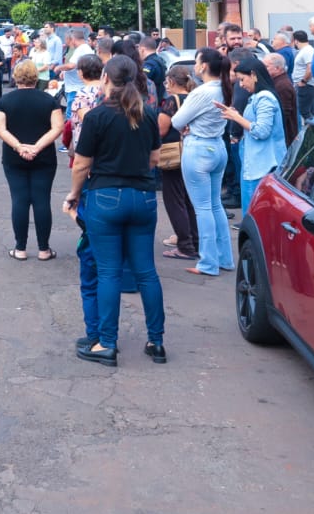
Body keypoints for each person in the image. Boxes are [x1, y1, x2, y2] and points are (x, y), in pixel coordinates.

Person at [62, 55, 165, 367]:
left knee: (107, 272)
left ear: (105, 78)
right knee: (146, 272)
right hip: (144, 198)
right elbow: (155, 159)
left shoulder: (97, 117)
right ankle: (156, 342)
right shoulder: (147, 113)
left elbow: (81, 164)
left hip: (106, 196)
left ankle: (106, 343)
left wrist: (74, 195)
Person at [171, 49, 234, 278]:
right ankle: (224, 258)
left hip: (198, 149)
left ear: (204, 66)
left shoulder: (202, 92)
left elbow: (177, 120)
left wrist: (186, 126)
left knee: (204, 208)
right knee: (215, 205)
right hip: (217, 147)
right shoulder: (224, 87)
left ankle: (208, 262)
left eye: (197, 62)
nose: (195, 67)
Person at [0, 60, 63, 260]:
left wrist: (18, 146)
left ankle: (20, 248)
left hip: (14, 157)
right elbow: (57, 127)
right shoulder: (48, 100)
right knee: (42, 200)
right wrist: (37, 147)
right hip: (44, 157)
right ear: (35, 77)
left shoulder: (5, 101)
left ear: (16, 77)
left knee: (20, 200)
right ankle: (44, 249)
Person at [219, 56, 287, 222]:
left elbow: (262, 131)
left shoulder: (264, 98)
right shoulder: (259, 96)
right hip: (256, 162)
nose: (241, 85)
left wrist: (236, 117)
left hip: (261, 165)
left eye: (242, 79)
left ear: (254, 75)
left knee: (256, 218)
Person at [157, 66, 198, 261]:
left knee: (174, 200)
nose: (166, 86)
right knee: (189, 200)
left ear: (172, 82)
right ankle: (195, 240)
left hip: (173, 155)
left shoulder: (171, 102)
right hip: (192, 152)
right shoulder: (195, 97)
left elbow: (161, 130)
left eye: (167, 82)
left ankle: (185, 245)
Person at [263, 52, 300, 146]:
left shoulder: (282, 85)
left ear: (277, 68)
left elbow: (284, 113)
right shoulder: (277, 82)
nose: (263, 69)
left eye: (266, 66)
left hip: (283, 136)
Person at [291, 28, 314, 119]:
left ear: (296, 41)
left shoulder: (307, 51)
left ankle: (313, 131)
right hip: (307, 85)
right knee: (309, 111)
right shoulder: (306, 51)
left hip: (306, 86)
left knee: (305, 112)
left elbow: (310, 68)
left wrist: (303, 81)